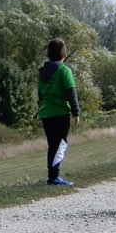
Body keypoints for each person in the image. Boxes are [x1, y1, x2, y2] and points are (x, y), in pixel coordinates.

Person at [38, 38, 80, 186]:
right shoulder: (64, 70)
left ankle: (52, 175)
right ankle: (53, 177)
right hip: (60, 112)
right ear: (63, 53)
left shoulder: (42, 71)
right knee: (60, 144)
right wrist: (76, 112)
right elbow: (71, 92)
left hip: (46, 113)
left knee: (53, 145)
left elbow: (40, 95)